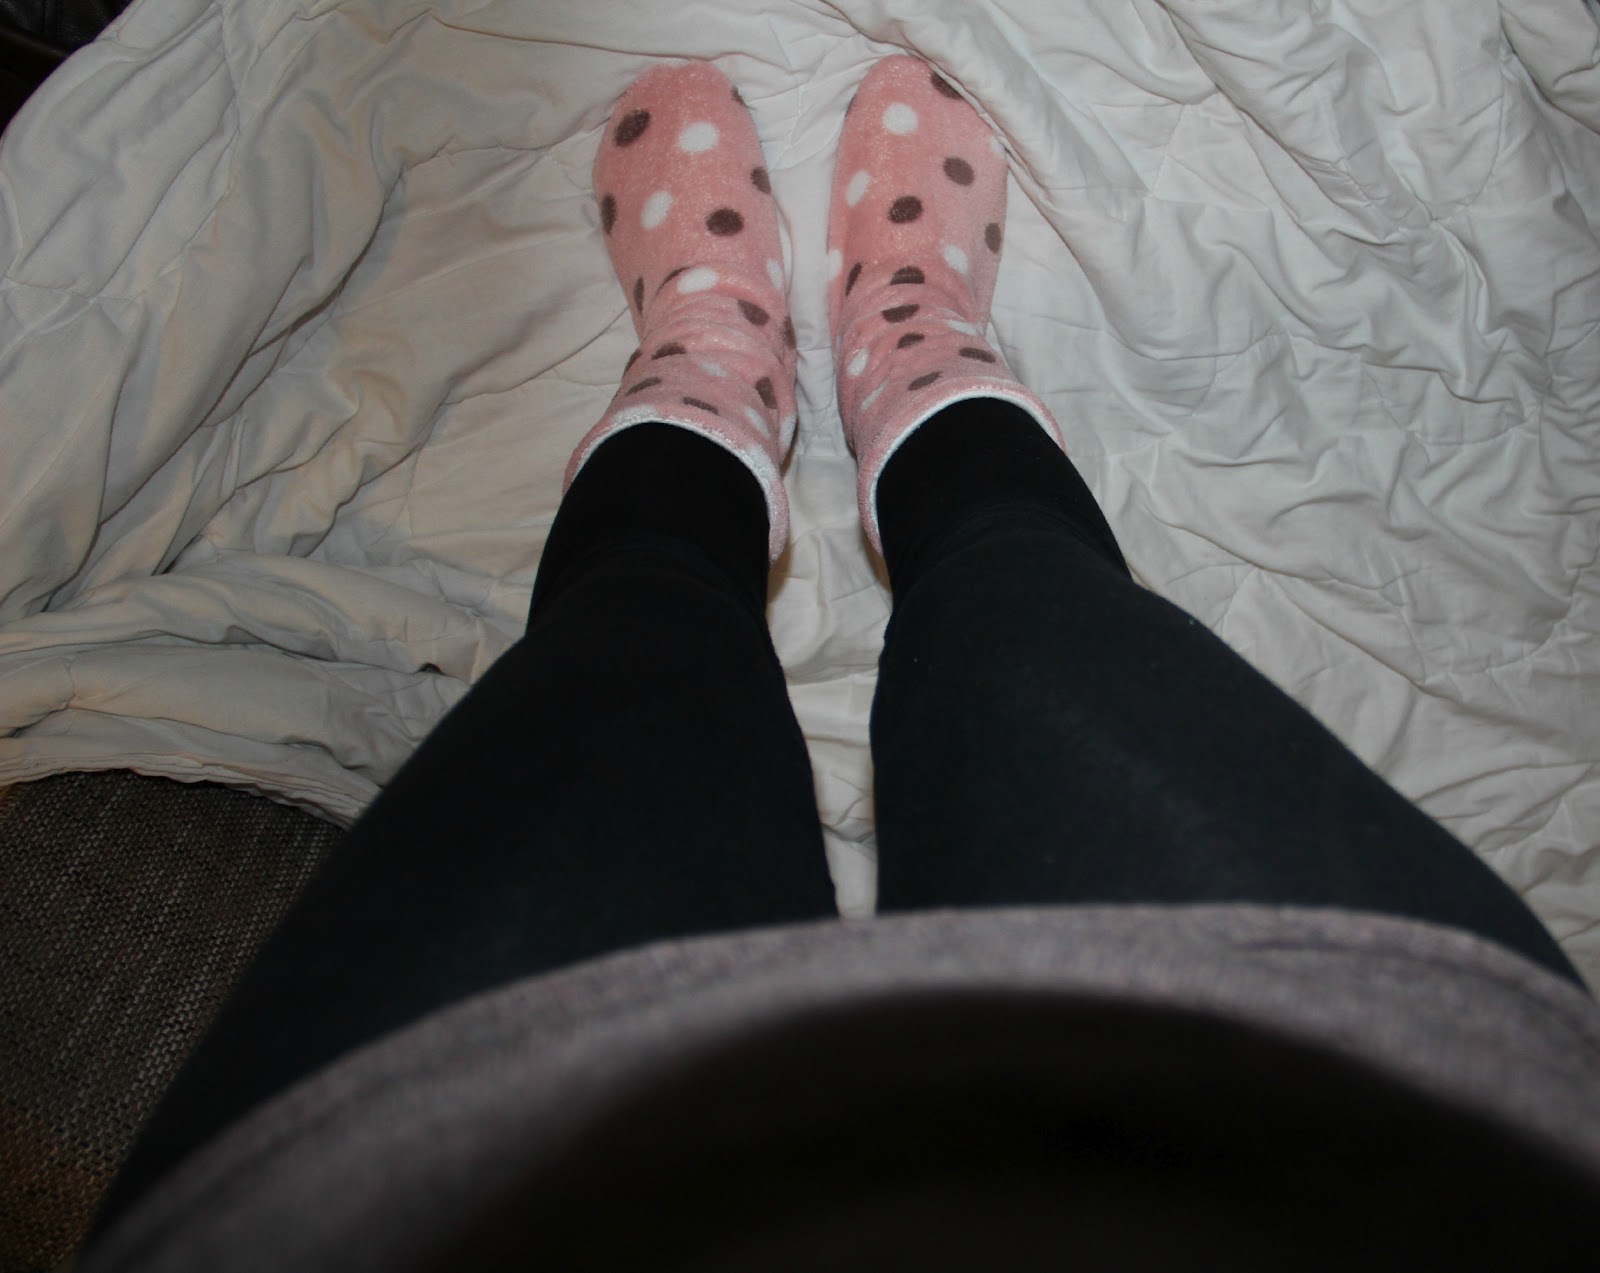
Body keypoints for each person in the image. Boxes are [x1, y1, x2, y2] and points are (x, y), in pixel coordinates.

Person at [81, 58, 1600, 1269]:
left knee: (634, 637)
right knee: (1026, 605)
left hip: (419, 1179)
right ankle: (903, 340)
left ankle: (720, 359)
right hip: (1387, 1158)